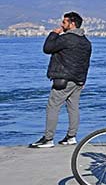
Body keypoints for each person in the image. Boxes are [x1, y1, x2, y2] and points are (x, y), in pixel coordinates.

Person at [31, 12, 92, 148]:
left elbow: (47, 48)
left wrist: (53, 34)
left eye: (64, 22)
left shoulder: (67, 38)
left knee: (52, 106)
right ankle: (71, 136)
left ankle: (48, 138)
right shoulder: (85, 41)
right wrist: (82, 80)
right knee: (73, 107)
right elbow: (85, 62)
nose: (61, 24)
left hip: (63, 79)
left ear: (72, 24)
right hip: (78, 80)